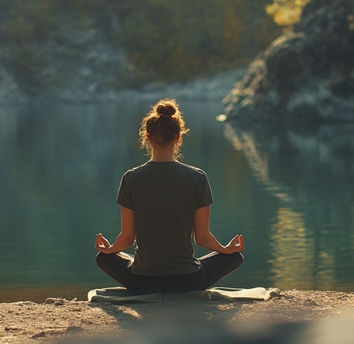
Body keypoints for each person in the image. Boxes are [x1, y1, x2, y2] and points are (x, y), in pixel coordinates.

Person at [94, 99, 245, 294]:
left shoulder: (131, 178)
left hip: (142, 282)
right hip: (188, 281)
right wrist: (226, 249)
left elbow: (128, 239)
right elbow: (202, 238)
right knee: (235, 257)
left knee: (103, 258)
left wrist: (110, 249)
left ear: (147, 137)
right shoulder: (197, 177)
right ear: (178, 137)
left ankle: (137, 268)